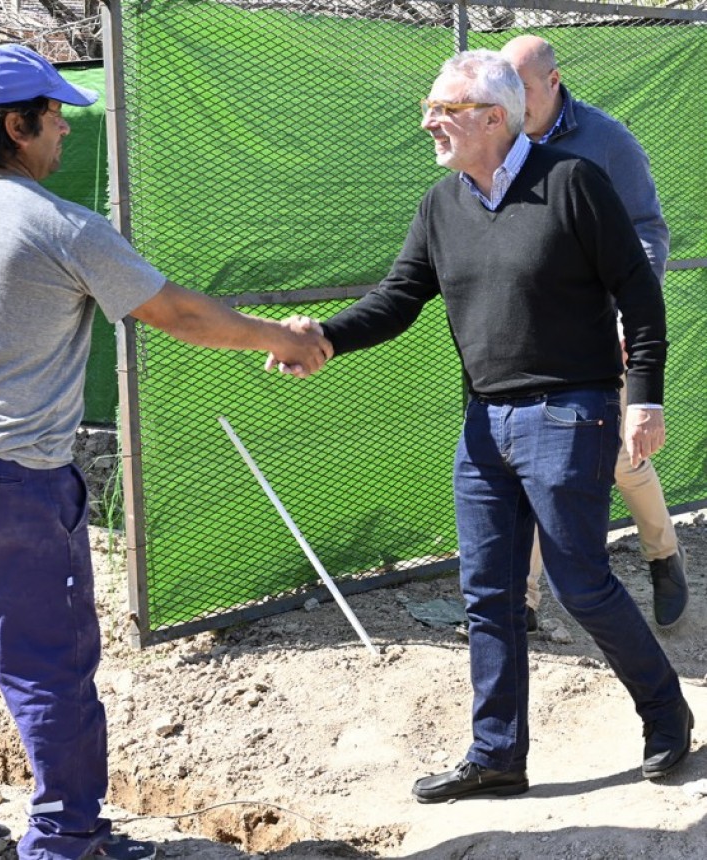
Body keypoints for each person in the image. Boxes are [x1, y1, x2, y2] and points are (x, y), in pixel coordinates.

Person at [0, 44, 331, 860]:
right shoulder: (61, 227)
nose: (63, 133)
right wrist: (278, 336)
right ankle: (68, 837)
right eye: (54, 117)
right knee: (48, 662)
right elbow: (176, 313)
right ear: (14, 125)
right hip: (13, 478)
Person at [275, 49, 693, 803]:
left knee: (581, 582)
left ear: (492, 118)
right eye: (430, 108)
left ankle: (667, 715)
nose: (429, 121)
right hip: (484, 424)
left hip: (573, 409)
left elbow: (640, 294)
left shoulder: (572, 184)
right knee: (488, 594)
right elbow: (400, 297)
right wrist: (326, 337)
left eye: (444, 109)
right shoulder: (443, 204)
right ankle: (497, 755)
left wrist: (644, 397)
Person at [494, 34, 688, 630]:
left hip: (602, 324)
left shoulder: (605, 139)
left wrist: (630, 307)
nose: (509, 102)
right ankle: (520, 600)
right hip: (525, 329)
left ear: (553, 82)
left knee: (623, 459)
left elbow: (647, 229)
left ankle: (662, 553)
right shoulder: (498, 135)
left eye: (520, 89)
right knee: (523, 462)